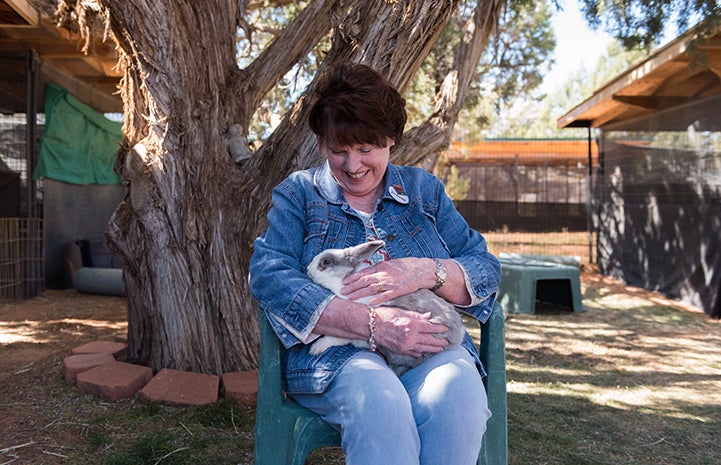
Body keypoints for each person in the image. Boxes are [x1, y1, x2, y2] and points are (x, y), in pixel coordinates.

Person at [249, 61, 501, 465]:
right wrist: (372, 325)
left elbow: (484, 267)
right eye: (338, 151)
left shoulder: (424, 192)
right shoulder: (299, 195)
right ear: (322, 145)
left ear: (390, 141)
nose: (353, 166)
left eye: (366, 149)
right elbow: (268, 275)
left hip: (427, 347)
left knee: (460, 399)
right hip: (338, 359)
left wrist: (424, 271)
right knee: (380, 406)